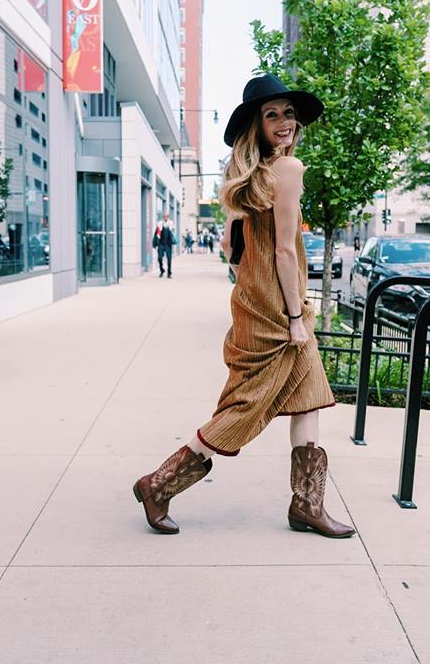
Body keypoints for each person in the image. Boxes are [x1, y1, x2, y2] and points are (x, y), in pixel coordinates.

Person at [133, 73, 355, 539]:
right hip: (278, 313)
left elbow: (234, 251)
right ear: (257, 126)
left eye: (288, 113)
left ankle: (307, 505)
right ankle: (158, 485)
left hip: (255, 303)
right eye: (271, 115)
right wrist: (296, 317)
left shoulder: (249, 179)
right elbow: (285, 252)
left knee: (307, 401)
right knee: (243, 410)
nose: (284, 122)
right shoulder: (288, 171)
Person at [155, 213, 175, 278]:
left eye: (167, 216)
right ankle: (162, 270)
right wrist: (155, 243)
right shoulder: (160, 224)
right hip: (161, 244)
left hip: (168, 244)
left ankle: (169, 273)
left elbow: (173, 232)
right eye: (164, 216)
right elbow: (156, 234)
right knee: (159, 258)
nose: (165, 217)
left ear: (168, 217)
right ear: (163, 217)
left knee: (169, 259)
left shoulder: (171, 223)